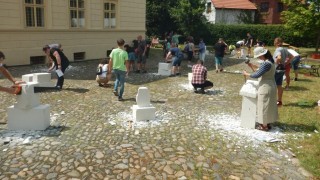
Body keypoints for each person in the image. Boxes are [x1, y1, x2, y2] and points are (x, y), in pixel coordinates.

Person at [243, 47, 278, 131]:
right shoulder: (270, 61)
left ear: (262, 54)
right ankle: (267, 123)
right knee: (269, 106)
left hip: (265, 87)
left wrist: (246, 74)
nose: (258, 57)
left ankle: (263, 126)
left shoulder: (266, 64)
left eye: (259, 56)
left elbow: (256, 75)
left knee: (263, 106)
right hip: (271, 85)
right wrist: (250, 65)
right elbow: (259, 70)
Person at [273, 37, 292, 105]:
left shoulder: (278, 49)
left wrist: (276, 62)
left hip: (276, 69)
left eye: (275, 42)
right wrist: (286, 63)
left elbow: (279, 57)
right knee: (279, 85)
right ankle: (279, 101)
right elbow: (292, 56)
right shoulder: (285, 49)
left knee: (272, 85)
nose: (274, 43)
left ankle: (272, 100)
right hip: (282, 69)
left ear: (277, 43)